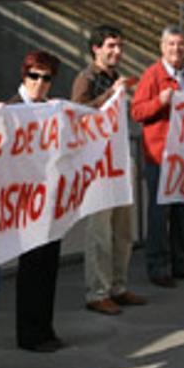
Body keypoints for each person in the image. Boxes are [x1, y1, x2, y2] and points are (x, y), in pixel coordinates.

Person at [71, 24, 146, 314]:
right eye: (111, 46)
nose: (117, 51)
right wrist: (110, 96)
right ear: (96, 48)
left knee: (123, 230)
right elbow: (79, 114)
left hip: (118, 160)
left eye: (119, 46)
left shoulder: (115, 77)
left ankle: (119, 285)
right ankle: (97, 291)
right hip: (97, 167)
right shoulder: (85, 78)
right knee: (100, 233)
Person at [0, 50, 68, 352]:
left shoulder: (51, 110)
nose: (40, 83)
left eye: (46, 78)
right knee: (32, 268)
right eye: (34, 76)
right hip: (23, 202)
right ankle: (29, 333)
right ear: (23, 76)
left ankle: (45, 328)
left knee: (49, 265)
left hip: (49, 199)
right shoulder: (9, 110)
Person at [132, 25, 184, 288]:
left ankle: (181, 262)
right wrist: (159, 102)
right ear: (162, 47)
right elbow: (137, 112)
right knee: (159, 214)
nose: (176, 49)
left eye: (180, 44)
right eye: (171, 44)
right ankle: (157, 266)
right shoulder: (152, 75)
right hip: (160, 157)